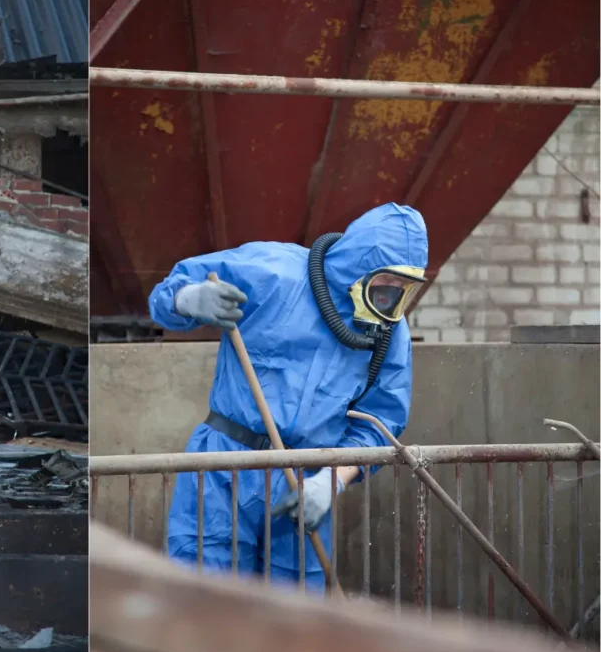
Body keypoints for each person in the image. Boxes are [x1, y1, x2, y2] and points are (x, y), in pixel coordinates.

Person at [148, 203, 429, 593]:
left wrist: (331, 482)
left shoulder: (388, 332)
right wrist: (187, 299)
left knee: (293, 620)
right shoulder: (272, 270)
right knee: (204, 603)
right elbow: (170, 290)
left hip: (305, 479)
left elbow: (382, 422)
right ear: (360, 263)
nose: (392, 297)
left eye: (404, 289)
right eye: (387, 282)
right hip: (223, 465)